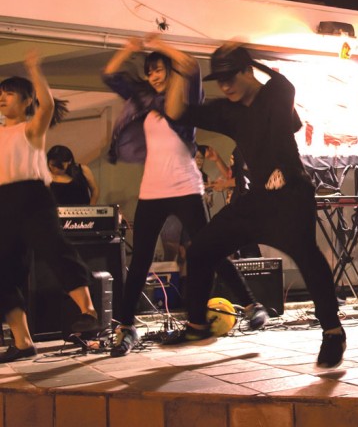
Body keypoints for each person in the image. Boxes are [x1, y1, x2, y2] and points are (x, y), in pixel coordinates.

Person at [162, 42, 346, 368]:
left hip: (291, 194)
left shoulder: (276, 93)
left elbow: (282, 92)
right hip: (257, 199)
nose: (226, 86)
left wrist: (252, 60)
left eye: (233, 76)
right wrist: (179, 69)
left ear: (249, 70)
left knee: (308, 258)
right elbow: (176, 111)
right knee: (201, 248)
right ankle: (197, 326)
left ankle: (332, 332)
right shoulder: (228, 112)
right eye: (220, 80)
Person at [102, 36, 267, 357]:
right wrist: (130, 48)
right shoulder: (144, 99)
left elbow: (190, 66)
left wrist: (161, 44)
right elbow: (110, 75)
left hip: (185, 186)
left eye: (160, 69)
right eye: (150, 72)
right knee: (140, 260)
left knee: (210, 250)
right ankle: (125, 326)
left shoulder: (184, 97)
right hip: (153, 188)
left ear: (170, 70)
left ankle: (251, 305)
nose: (155, 76)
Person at [0, 54, 99, 362]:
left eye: (9, 93)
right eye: (0, 93)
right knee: (4, 272)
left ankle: (88, 312)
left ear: (28, 101)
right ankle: (22, 341)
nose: (2, 97)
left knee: (55, 249)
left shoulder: (30, 129)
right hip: (4, 200)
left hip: (32, 196)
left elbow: (49, 107)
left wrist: (32, 69)